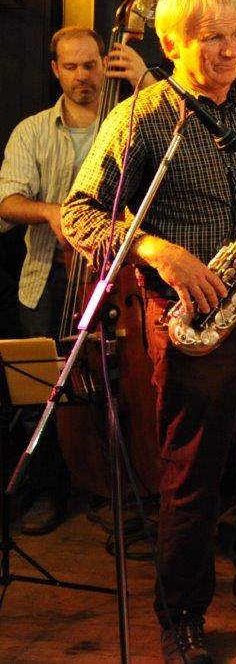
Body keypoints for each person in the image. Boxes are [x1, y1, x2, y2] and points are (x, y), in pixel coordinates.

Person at [62, 0, 236, 664]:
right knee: (192, 471)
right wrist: (157, 250)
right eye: (212, 38)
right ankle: (181, 616)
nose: (230, 50)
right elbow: (79, 214)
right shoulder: (142, 117)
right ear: (173, 44)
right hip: (193, 317)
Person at [0, 26, 149, 535]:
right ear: (55, 70)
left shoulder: (132, 120)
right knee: (45, 391)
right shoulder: (31, 131)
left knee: (120, 383)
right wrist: (50, 212)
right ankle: (46, 489)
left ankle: (120, 483)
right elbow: (6, 202)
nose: (83, 76)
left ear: (104, 64)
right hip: (47, 277)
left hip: (117, 279)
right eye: (72, 67)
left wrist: (147, 83)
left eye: (91, 65)